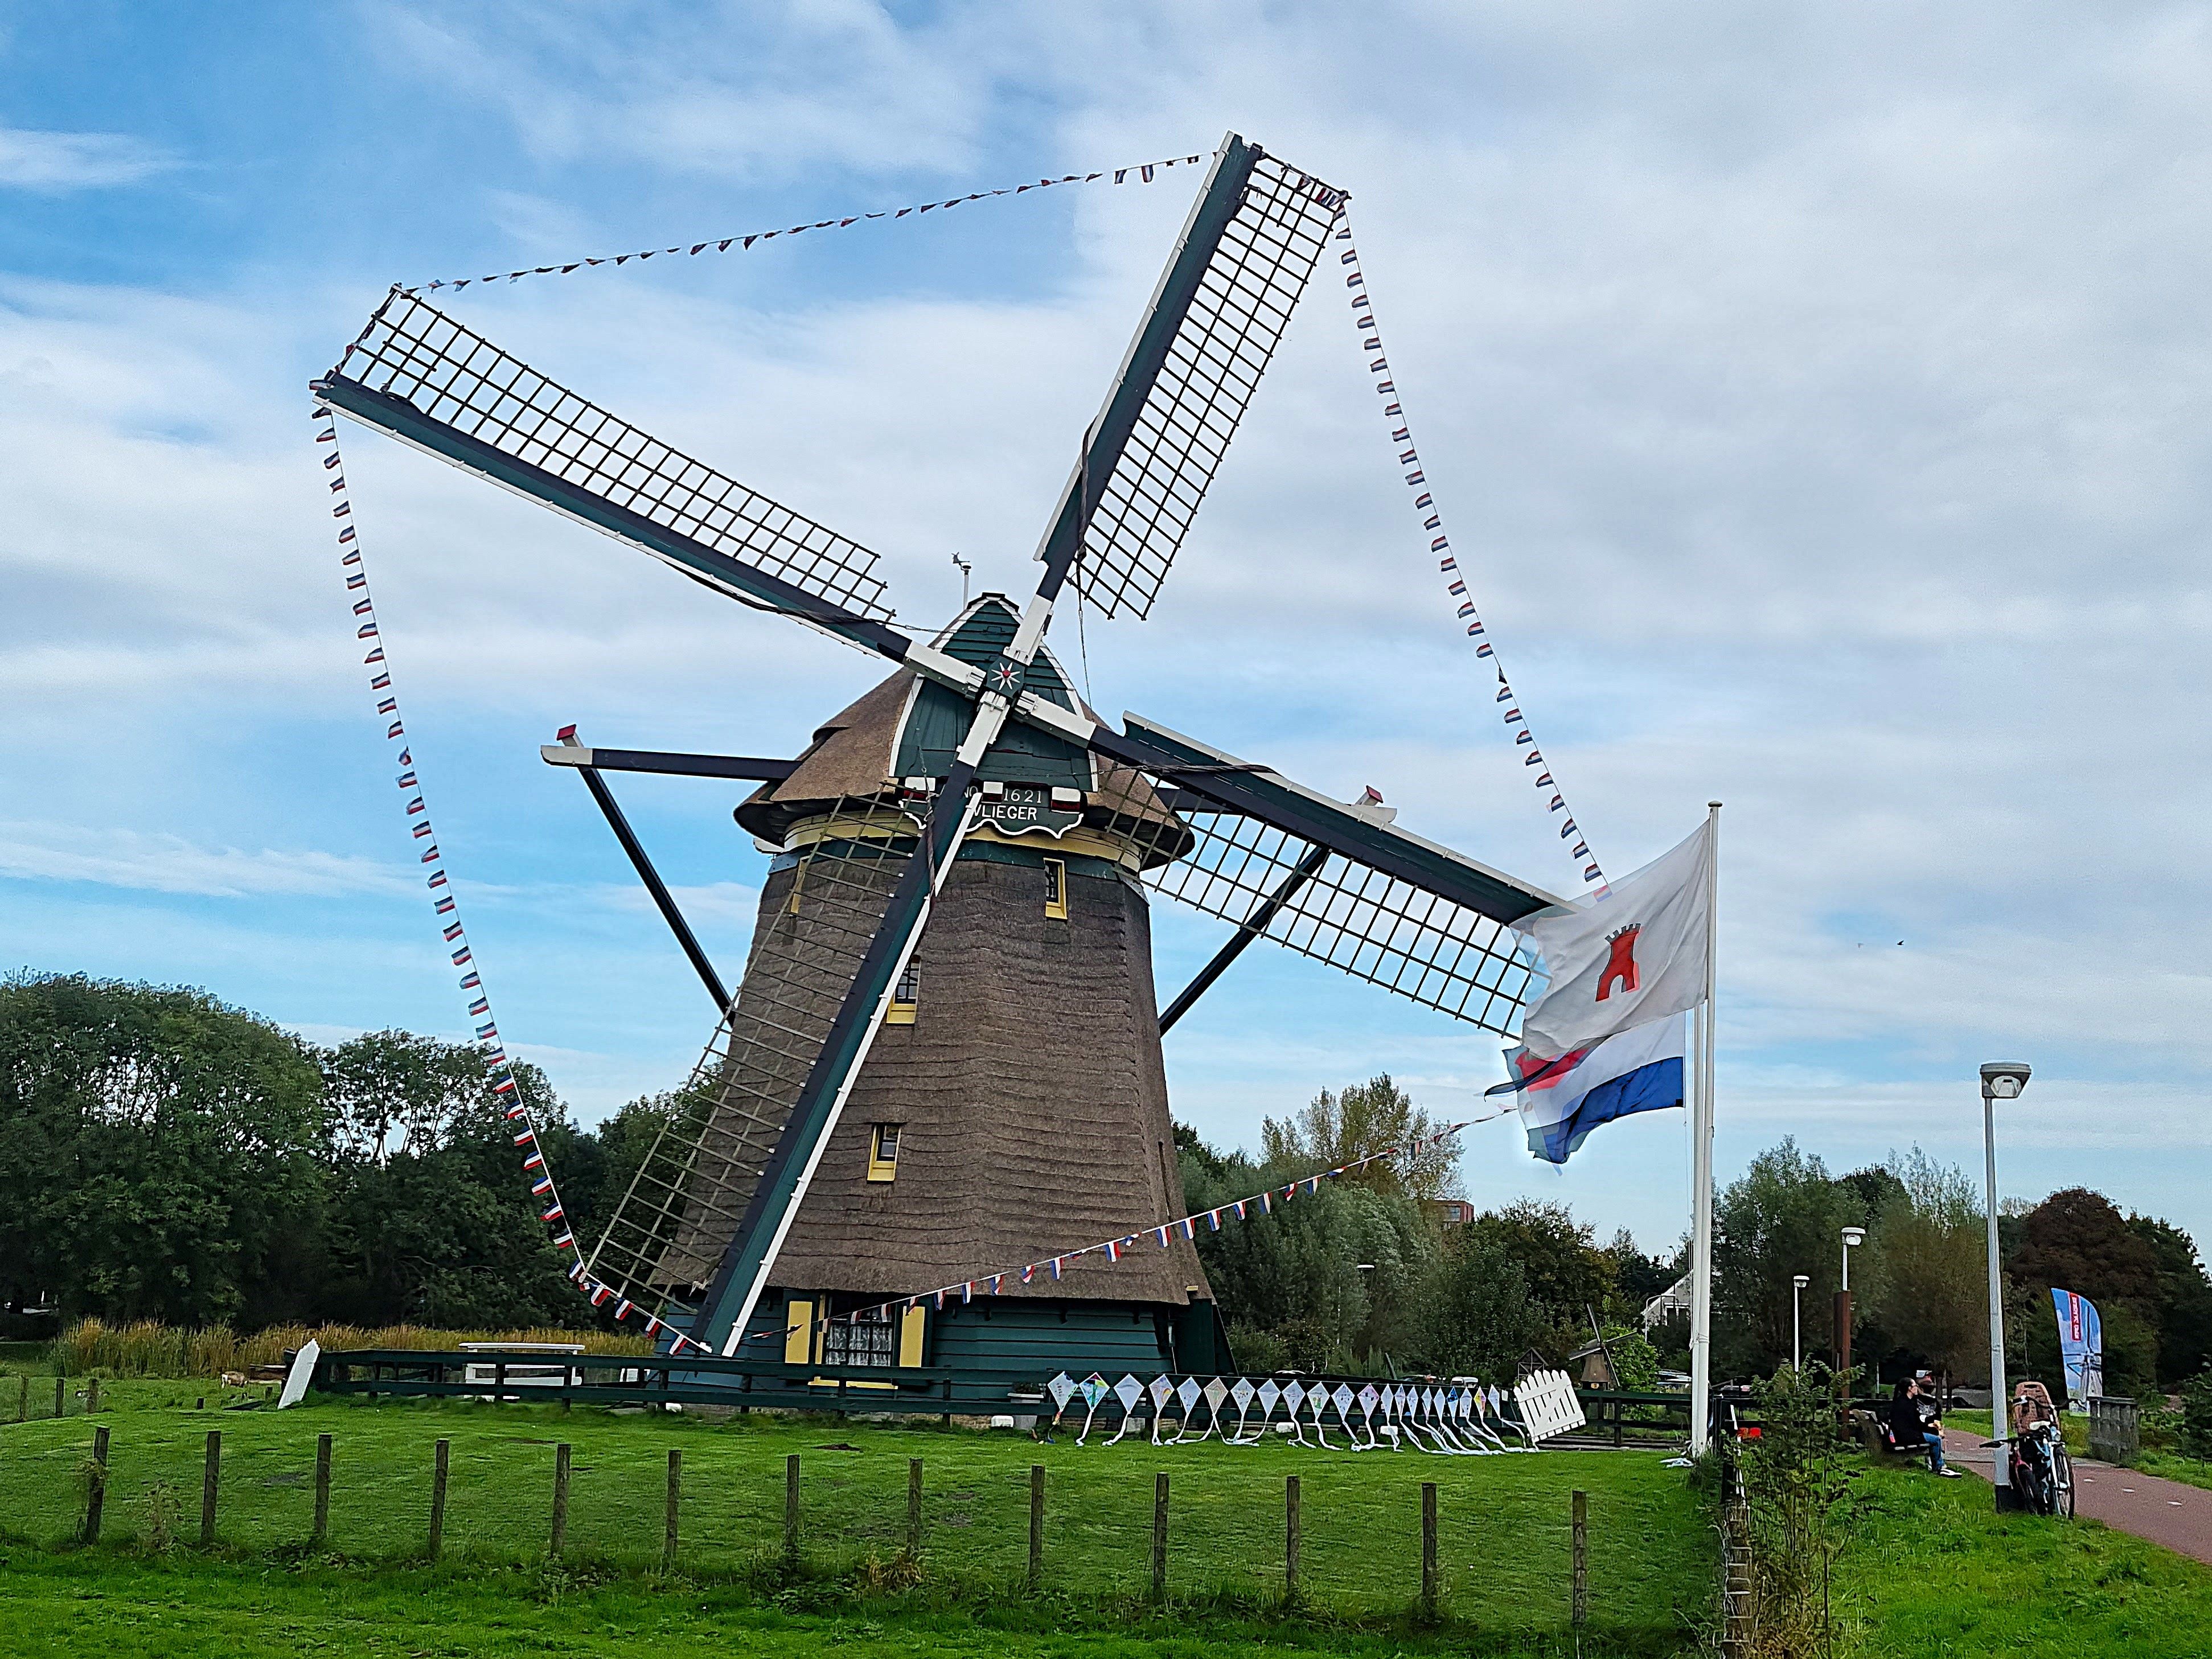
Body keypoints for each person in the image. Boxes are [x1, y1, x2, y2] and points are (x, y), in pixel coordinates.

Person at [1888, 1374, 1959, 1476]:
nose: (1917, 1388)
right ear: (1910, 1389)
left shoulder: (1902, 1402)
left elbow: (1916, 1423)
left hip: (1904, 1434)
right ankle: (1938, 1466)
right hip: (1907, 1436)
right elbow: (1916, 1424)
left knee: (1933, 1434)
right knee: (1936, 1440)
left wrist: (1930, 1426)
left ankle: (1937, 1464)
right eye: (1915, 1386)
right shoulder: (1907, 1405)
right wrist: (1931, 1428)